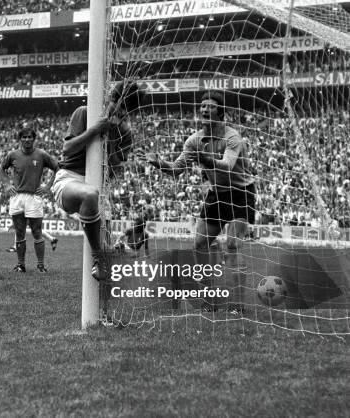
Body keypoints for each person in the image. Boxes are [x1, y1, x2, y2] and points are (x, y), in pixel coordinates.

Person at [147, 91, 255, 315]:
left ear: (221, 112)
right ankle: (210, 300)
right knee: (199, 244)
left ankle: (238, 304)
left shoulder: (232, 136)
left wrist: (205, 159)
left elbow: (227, 164)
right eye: (202, 106)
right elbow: (177, 170)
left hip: (241, 193)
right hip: (217, 194)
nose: (205, 109)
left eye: (211, 106)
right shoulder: (194, 140)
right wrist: (159, 163)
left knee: (233, 245)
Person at [51, 80, 141, 280]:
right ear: (112, 98)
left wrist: (111, 139)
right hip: (70, 179)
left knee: (105, 272)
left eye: (126, 111)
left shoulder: (125, 132)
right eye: (118, 105)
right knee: (89, 195)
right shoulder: (84, 112)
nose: (120, 113)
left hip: (101, 185)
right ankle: (99, 255)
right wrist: (95, 130)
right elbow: (67, 149)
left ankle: (112, 253)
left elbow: (115, 169)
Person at [0, 125, 59, 273]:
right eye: (24, 137)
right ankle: (21, 265)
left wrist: (48, 186)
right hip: (17, 197)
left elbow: (57, 168)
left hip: (34, 197)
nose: (27, 139)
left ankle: (40, 265)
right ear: (20, 139)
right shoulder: (13, 155)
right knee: (19, 232)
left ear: (34, 139)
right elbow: (1, 169)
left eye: (29, 137)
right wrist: (7, 184)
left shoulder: (41, 154)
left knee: (37, 232)